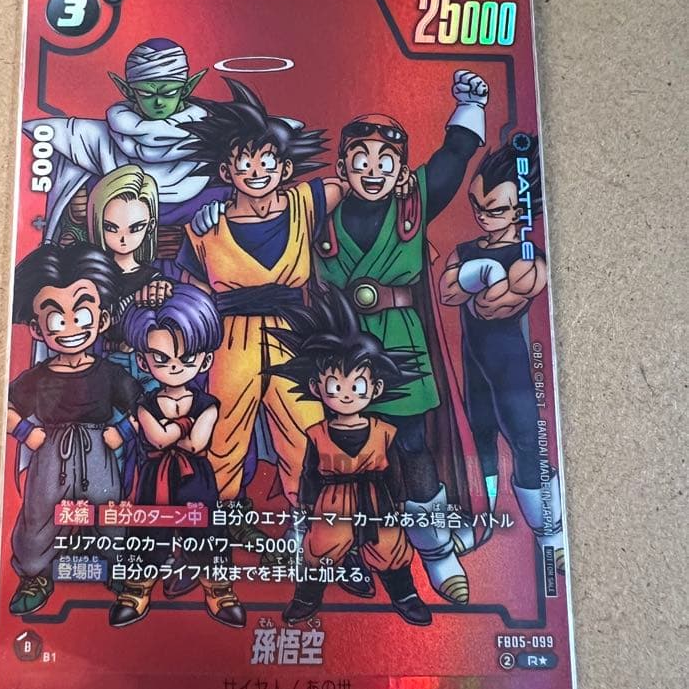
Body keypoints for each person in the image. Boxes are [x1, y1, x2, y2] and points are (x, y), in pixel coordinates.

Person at [313, 70, 490, 605]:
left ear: (401, 170)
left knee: (411, 445)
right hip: (341, 347)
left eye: (385, 161)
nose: (373, 171)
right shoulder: (317, 213)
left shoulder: (414, 203)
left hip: (400, 341)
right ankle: (352, 550)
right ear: (342, 166)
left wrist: (470, 103)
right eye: (361, 160)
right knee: (345, 451)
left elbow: (455, 155)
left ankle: (435, 550)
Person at [177, 79, 349, 517]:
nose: (256, 171)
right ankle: (220, 523)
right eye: (244, 163)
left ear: (285, 168)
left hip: (294, 333)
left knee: (305, 427)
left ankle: (310, 521)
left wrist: (400, 184)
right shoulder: (205, 226)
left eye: (267, 161)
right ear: (227, 171)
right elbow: (193, 290)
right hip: (231, 339)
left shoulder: (305, 203)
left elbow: (348, 183)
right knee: (225, 431)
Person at [267, 287, 431, 626]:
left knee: (390, 547)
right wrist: (307, 503)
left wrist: (399, 499)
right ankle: (306, 598)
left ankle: (406, 596)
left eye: (356, 387)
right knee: (320, 547)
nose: (345, 395)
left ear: (375, 389)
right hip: (332, 500)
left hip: (377, 498)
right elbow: (310, 472)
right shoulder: (318, 433)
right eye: (334, 387)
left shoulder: (384, 431)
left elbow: (394, 471)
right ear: (317, 388)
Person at [439, 133, 564, 572]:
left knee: (528, 441)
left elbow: (498, 302)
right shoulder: (466, 250)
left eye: (495, 209)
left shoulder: (529, 258)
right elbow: (449, 292)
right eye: (477, 206)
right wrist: (482, 273)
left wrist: (483, 278)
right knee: (478, 441)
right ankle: (480, 520)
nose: (482, 216)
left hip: (512, 370)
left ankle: (550, 531)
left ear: (519, 210)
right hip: (474, 367)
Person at [6, 244, 142, 615]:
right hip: (51, 454)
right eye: (56, 319)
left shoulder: (109, 373)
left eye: (81, 315)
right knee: (40, 514)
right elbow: (4, 407)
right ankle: (35, 574)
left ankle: (117, 565)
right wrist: (27, 433)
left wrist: (123, 431)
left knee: (109, 510)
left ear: (102, 319)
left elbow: (144, 406)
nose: (69, 328)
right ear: (38, 328)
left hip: (99, 452)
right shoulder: (36, 378)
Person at [23, 38, 229, 265]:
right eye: (147, 93)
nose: (158, 102)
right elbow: (39, 131)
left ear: (187, 88)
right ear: (127, 90)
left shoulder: (214, 142)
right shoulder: (94, 139)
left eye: (169, 92)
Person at [109, 289, 246, 629]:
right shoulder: (146, 403)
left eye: (186, 358)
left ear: (205, 361)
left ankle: (218, 589)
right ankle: (136, 590)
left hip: (195, 478)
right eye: (161, 358)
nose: (174, 367)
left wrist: (172, 429)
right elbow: (158, 439)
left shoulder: (207, 403)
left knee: (207, 530)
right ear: (144, 362)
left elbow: (197, 444)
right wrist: (182, 426)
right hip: (153, 477)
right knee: (146, 532)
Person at [86, 164, 173, 384]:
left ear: (150, 226)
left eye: (135, 228)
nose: (123, 238)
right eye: (111, 227)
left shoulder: (154, 279)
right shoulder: (92, 276)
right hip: (103, 366)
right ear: (98, 224)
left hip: (148, 366)